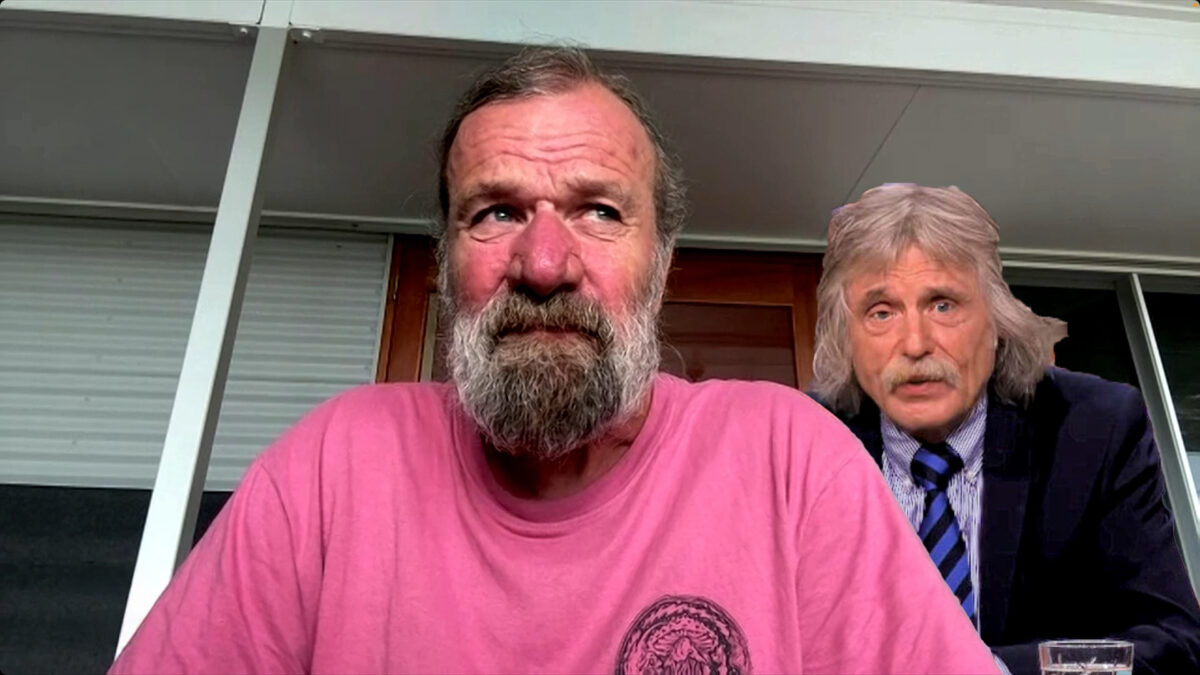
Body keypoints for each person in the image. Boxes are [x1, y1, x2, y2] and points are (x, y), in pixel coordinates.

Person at [110, 49, 1000, 674]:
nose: (543, 264)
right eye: (495, 212)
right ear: (446, 260)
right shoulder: (329, 469)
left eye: (599, 212)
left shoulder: (791, 461)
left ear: (662, 260)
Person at [810, 183, 1200, 675]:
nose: (914, 344)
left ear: (996, 320)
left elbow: (1175, 645)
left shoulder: (1094, 429)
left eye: (942, 305)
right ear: (846, 337)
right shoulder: (807, 443)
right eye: (881, 312)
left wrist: (989, 670)